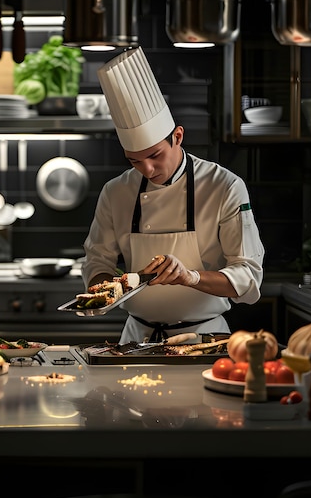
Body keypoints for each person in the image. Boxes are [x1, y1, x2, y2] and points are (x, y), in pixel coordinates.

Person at [81, 47, 265, 344]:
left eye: (155, 155)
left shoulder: (224, 186)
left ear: (177, 136)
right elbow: (96, 262)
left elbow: (248, 277)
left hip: (203, 340)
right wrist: (106, 287)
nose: (148, 169)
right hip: (135, 341)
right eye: (134, 161)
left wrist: (189, 277)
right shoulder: (116, 192)